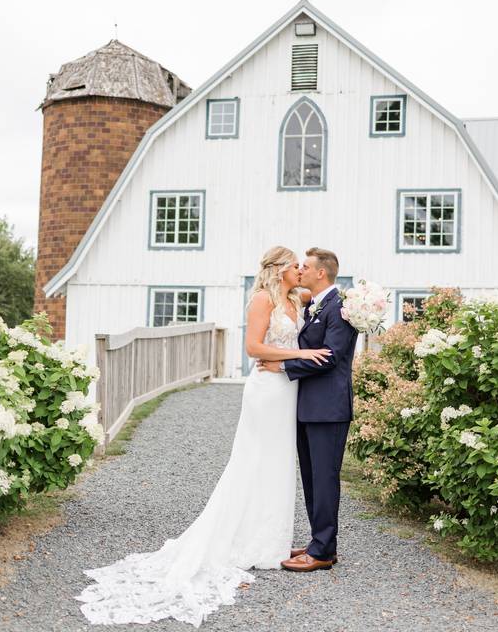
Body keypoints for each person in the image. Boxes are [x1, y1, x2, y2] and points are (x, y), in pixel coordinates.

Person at [75, 246, 330, 627]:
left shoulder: (299, 297)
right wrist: (301, 356)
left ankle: (271, 544)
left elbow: (328, 296)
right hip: (266, 390)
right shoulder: (262, 299)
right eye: (294, 265)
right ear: (278, 269)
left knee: (278, 464)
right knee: (253, 460)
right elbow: (252, 348)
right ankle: (243, 541)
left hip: (288, 390)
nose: (300, 270)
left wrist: (356, 305)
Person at [257, 247, 359, 572]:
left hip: (329, 408)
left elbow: (330, 356)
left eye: (306, 267)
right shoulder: (316, 304)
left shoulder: (339, 308)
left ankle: (324, 552)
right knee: (313, 479)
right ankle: (319, 541)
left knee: (325, 478)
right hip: (309, 406)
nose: (300, 270)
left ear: (321, 273)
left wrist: (285, 368)